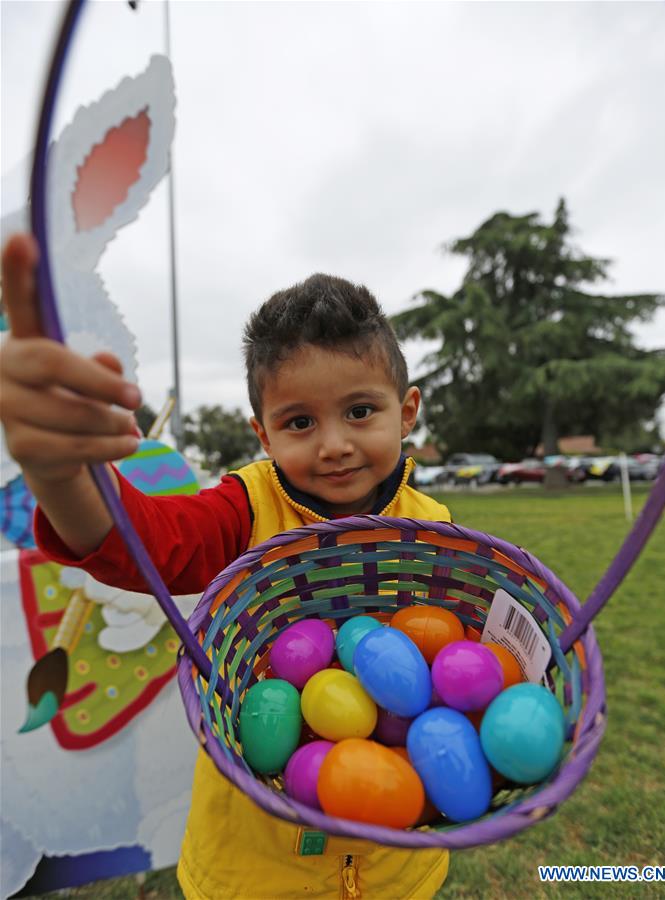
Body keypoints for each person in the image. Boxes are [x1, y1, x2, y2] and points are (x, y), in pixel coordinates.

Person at [0, 233, 452, 900]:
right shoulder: (244, 509)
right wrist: (61, 474)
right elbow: (144, 542)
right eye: (299, 422)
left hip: (395, 859)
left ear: (406, 411)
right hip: (254, 866)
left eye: (360, 411)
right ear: (262, 435)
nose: (334, 445)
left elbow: (452, 669)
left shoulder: (433, 527)